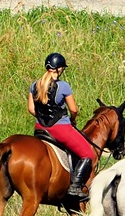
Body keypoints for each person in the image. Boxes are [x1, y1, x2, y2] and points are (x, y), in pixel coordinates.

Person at [27, 52, 95, 200]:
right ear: (59, 69)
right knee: (88, 154)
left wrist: (42, 118)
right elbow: (74, 109)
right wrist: (73, 120)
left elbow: (31, 109)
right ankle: (75, 186)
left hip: (39, 128)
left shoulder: (34, 85)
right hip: (60, 129)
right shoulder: (63, 86)